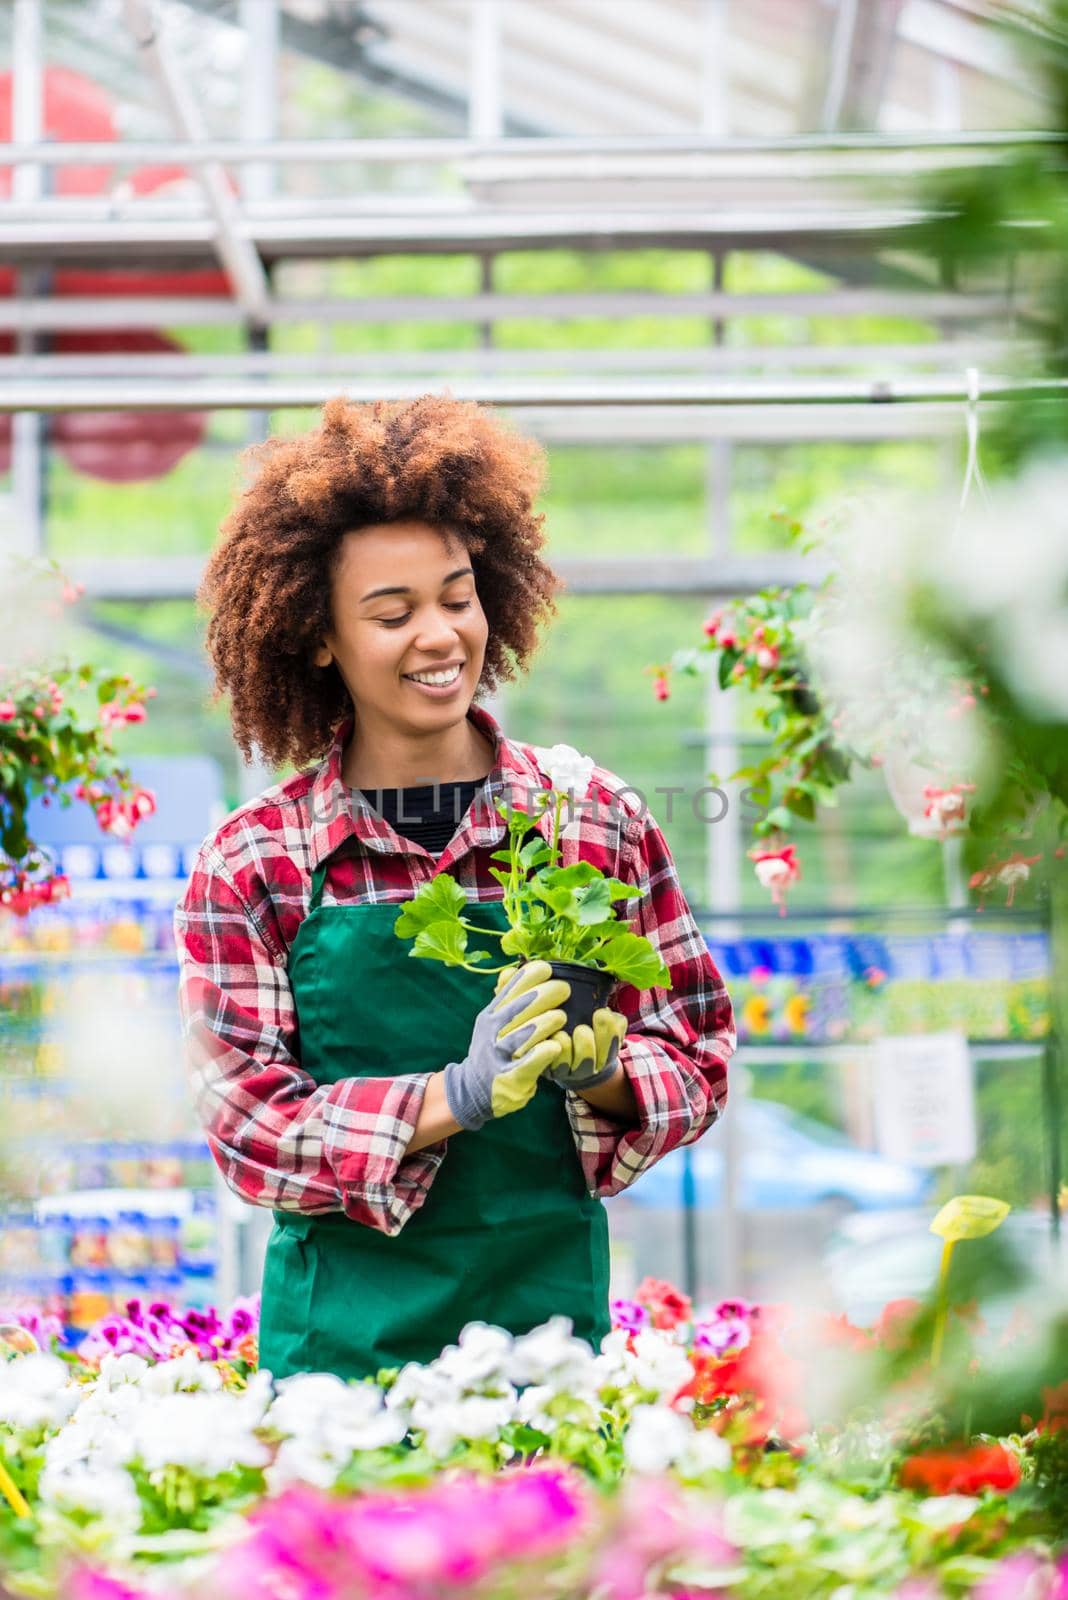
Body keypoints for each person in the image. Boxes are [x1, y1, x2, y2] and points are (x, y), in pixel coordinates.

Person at [173, 394, 735, 1382]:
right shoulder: (257, 860)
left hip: (547, 1348)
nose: (438, 635)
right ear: (317, 635)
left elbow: (699, 1050)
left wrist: (595, 1072)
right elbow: (248, 1130)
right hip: (339, 1372)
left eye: (457, 596)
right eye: (391, 613)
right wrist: (454, 1096)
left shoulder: (588, 822)